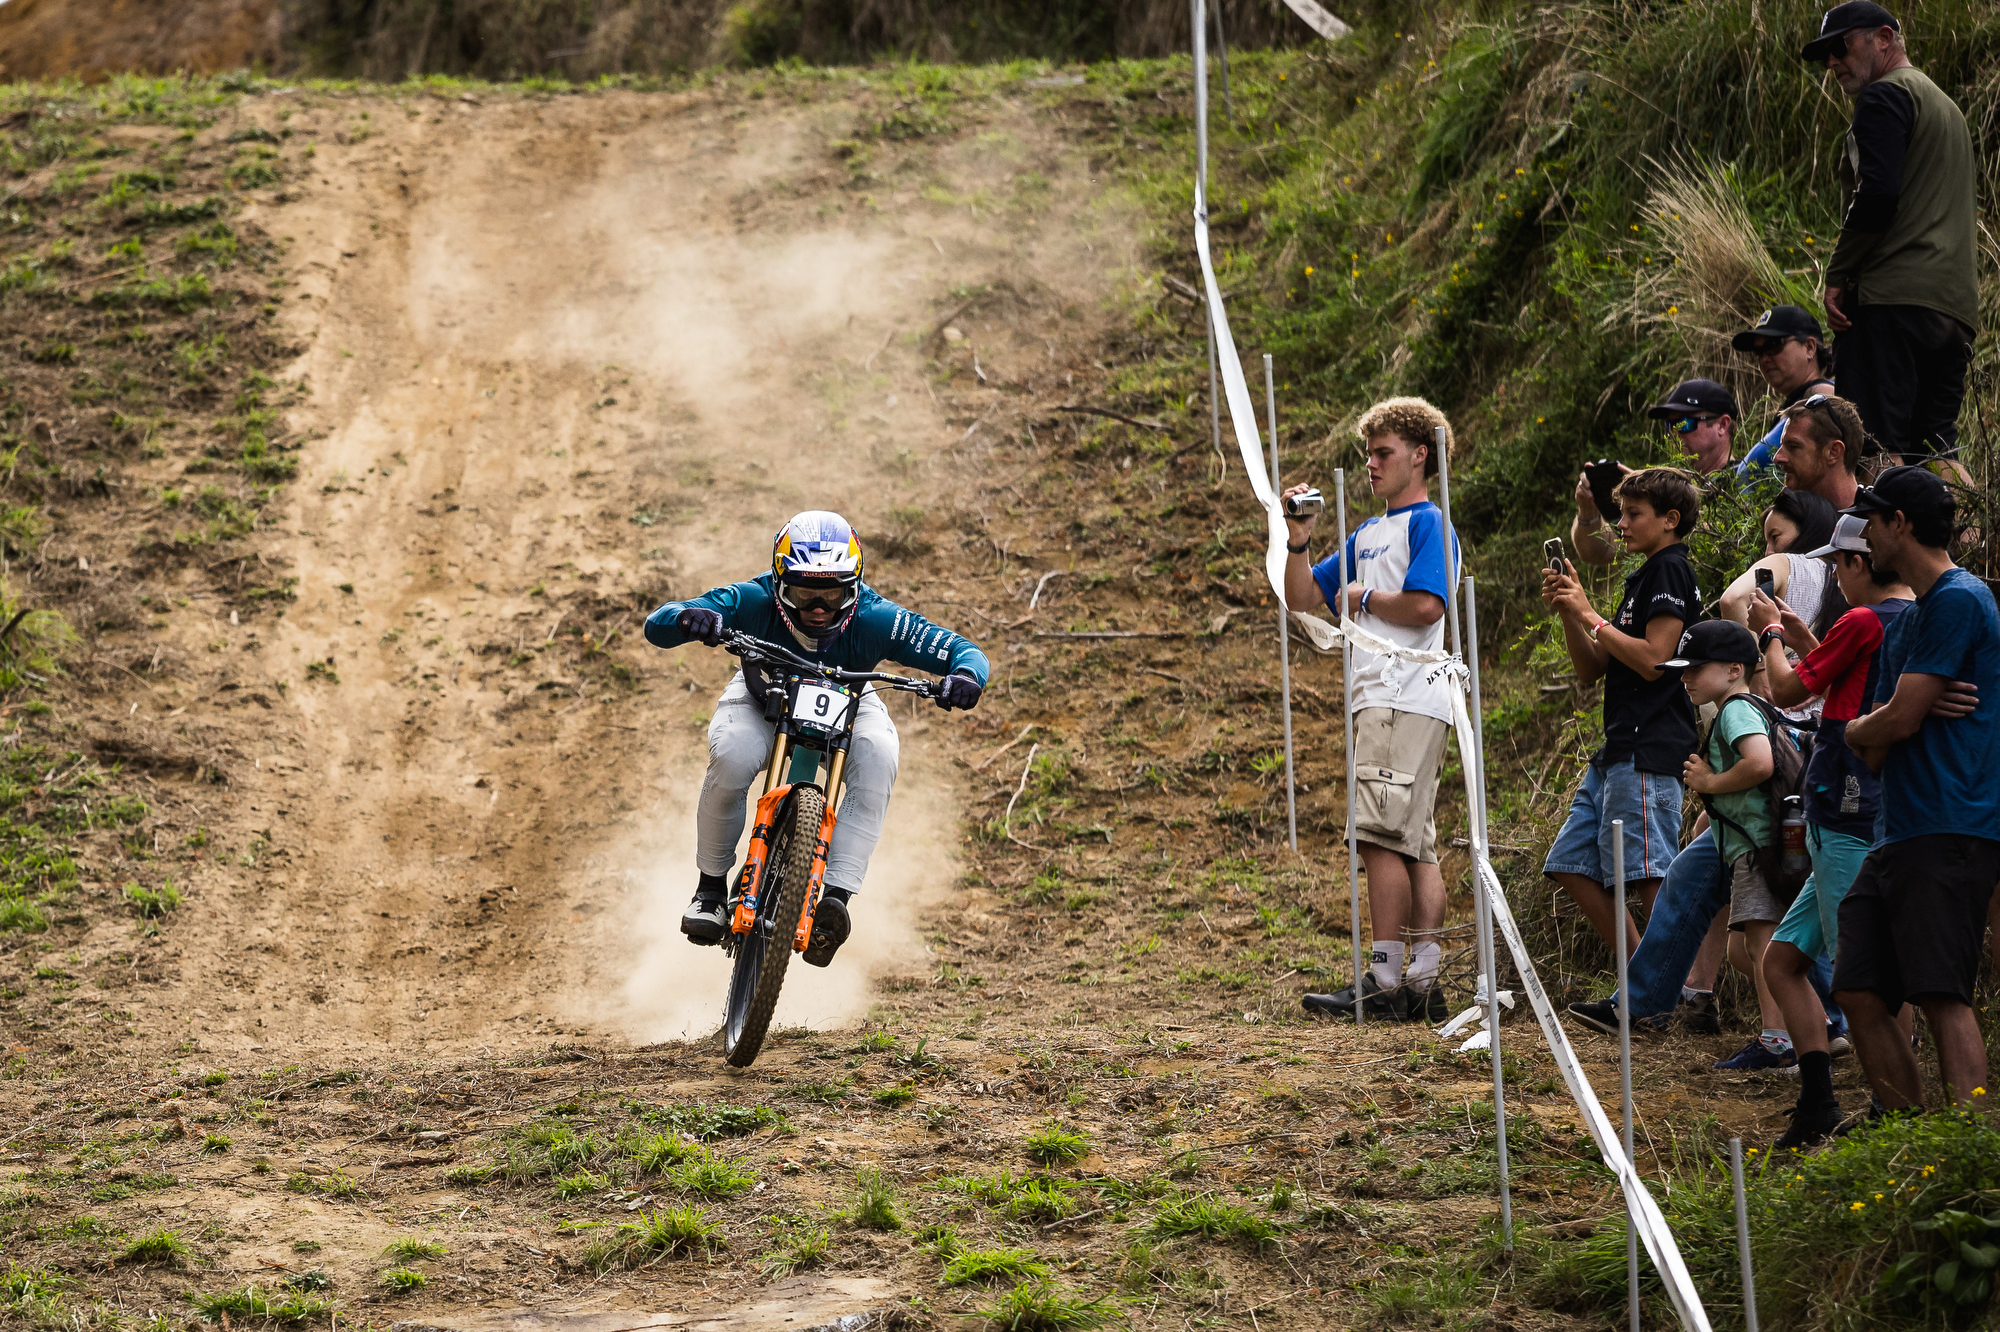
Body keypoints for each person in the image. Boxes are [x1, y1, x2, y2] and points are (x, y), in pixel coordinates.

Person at [644, 511, 988, 965]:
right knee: (732, 754)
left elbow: (963, 651)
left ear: (855, 586)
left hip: (849, 697)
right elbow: (658, 623)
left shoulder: (877, 618)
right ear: (779, 581)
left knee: (879, 754)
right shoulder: (750, 598)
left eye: (832, 592)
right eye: (805, 592)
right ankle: (709, 889)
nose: (819, 606)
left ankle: (835, 903)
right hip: (762, 692)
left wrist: (965, 675)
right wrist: (691, 618)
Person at [1287, 398, 1461, 1023]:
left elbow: (1427, 606)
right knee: (1415, 843)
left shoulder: (1428, 524)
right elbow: (1306, 600)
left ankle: (1386, 980)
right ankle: (1422, 979)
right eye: (1368, 453)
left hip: (1404, 694)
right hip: (1383, 699)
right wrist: (1299, 541)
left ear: (1420, 455)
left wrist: (1362, 598)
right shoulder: (1366, 533)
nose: (1371, 464)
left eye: (1383, 452)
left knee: (1379, 838)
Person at [1835, 467, 2000, 1114]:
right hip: (1897, 828)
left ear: (1900, 524)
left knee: (1940, 993)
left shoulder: (1960, 599)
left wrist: (1888, 718)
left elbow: (1895, 721)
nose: (1864, 533)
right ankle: (1913, 1137)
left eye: (1872, 520)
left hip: (1952, 824)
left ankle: (1972, 1149)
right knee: (1858, 991)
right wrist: (1873, 725)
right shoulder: (1904, 624)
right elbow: (1873, 741)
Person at [1748, 514, 1914, 1145]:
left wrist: (1768, 634)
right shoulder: (1903, 621)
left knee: (1862, 977)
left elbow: (1789, 691)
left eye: (1840, 564)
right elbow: (1853, 685)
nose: (1837, 577)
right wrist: (1802, 633)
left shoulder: (1863, 619)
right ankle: (1818, 1101)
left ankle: (1893, 1111)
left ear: (1859, 564)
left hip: (1844, 817)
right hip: (1858, 812)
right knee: (1785, 961)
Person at [1805, 3, 1978, 467]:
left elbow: (1877, 195)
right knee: (1937, 446)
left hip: (1891, 304)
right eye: (1825, 55)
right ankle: (1974, 540)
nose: (1832, 63)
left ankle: (1885, 541)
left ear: (1884, 38)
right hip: (1954, 309)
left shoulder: (1883, 97)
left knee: (1877, 443)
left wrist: (1839, 274)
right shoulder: (1948, 110)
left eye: (1840, 46)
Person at [1541, 468, 1701, 956]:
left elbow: (1657, 660)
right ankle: (1641, 980)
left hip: (1650, 748)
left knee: (1650, 877)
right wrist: (1572, 614)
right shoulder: (1644, 575)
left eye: (1634, 514)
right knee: (1569, 861)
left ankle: (1673, 992)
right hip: (1618, 751)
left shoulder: (1672, 568)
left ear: (1670, 520)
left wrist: (1591, 614)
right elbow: (1592, 668)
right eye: (1621, 513)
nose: (1622, 524)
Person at [1665, 621, 1799, 1072]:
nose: (1685, 678)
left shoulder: (1736, 710)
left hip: (1758, 847)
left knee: (1762, 947)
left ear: (1733, 669)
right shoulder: (1749, 704)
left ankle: (1778, 1041)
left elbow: (1759, 763)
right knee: (1746, 951)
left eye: (1696, 668)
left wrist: (1710, 782)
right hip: (1758, 845)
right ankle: (1813, 1023)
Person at [1570, 380, 1736, 567]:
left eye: (1684, 423)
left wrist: (1655, 502)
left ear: (1722, 425)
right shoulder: (1677, 486)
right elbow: (1597, 553)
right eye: (1669, 426)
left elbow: (1719, 539)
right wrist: (1588, 511)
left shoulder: (1746, 480)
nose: (1675, 434)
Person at [1731, 306, 1838, 476]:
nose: (1764, 358)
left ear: (1809, 347)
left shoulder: (1821, 396)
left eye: (1774, 346)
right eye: (1759, 352)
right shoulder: (1796, 402)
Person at [1773, 393, 1863, 513]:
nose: (1777, 458)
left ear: (1833, 452)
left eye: (1793, 447)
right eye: (1782, 446)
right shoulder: (1791, 522)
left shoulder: (1873, 527)